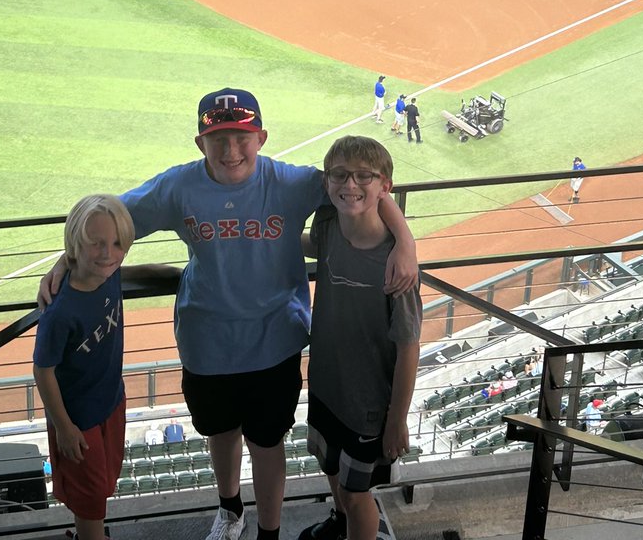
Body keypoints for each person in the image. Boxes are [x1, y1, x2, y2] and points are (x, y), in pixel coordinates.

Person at [39, 89, 417, 540]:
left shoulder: (292, 183)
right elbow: (109, 218)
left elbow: (363, 187)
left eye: (241, 137)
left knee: (267, 443)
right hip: (207, 344)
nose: (230, 150)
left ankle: (269, 533)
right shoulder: (178, 187)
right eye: (218, 138)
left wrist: (406, 241)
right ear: (201, 143)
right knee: (219, 434)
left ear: (260, 138)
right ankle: (231, 509)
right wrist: (67, 259)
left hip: (275, 342)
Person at [300, 136, 421, 540]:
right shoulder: (329, 225)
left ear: (384, 185)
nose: (349, 184)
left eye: (363, 176)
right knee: (331, 468)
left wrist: (397, 420)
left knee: (358, 496)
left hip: (368, 407)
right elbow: (309, 243)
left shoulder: (397, 269)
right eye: (339, 175)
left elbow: (408, 347)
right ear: (327, 180)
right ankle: (340, 522)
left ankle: (354, 523)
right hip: (327, 386)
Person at [33, 195, 173, 540]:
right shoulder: (60, 311)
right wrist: (64, 428)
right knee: (91, 501)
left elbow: (134, 273)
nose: (108, 253)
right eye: (96, 243)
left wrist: (184, 277)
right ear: (75, 244)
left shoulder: (108, 275)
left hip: (111, 401)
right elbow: (42, 369)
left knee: (103, 485)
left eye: (117, 244)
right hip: (79, 420)